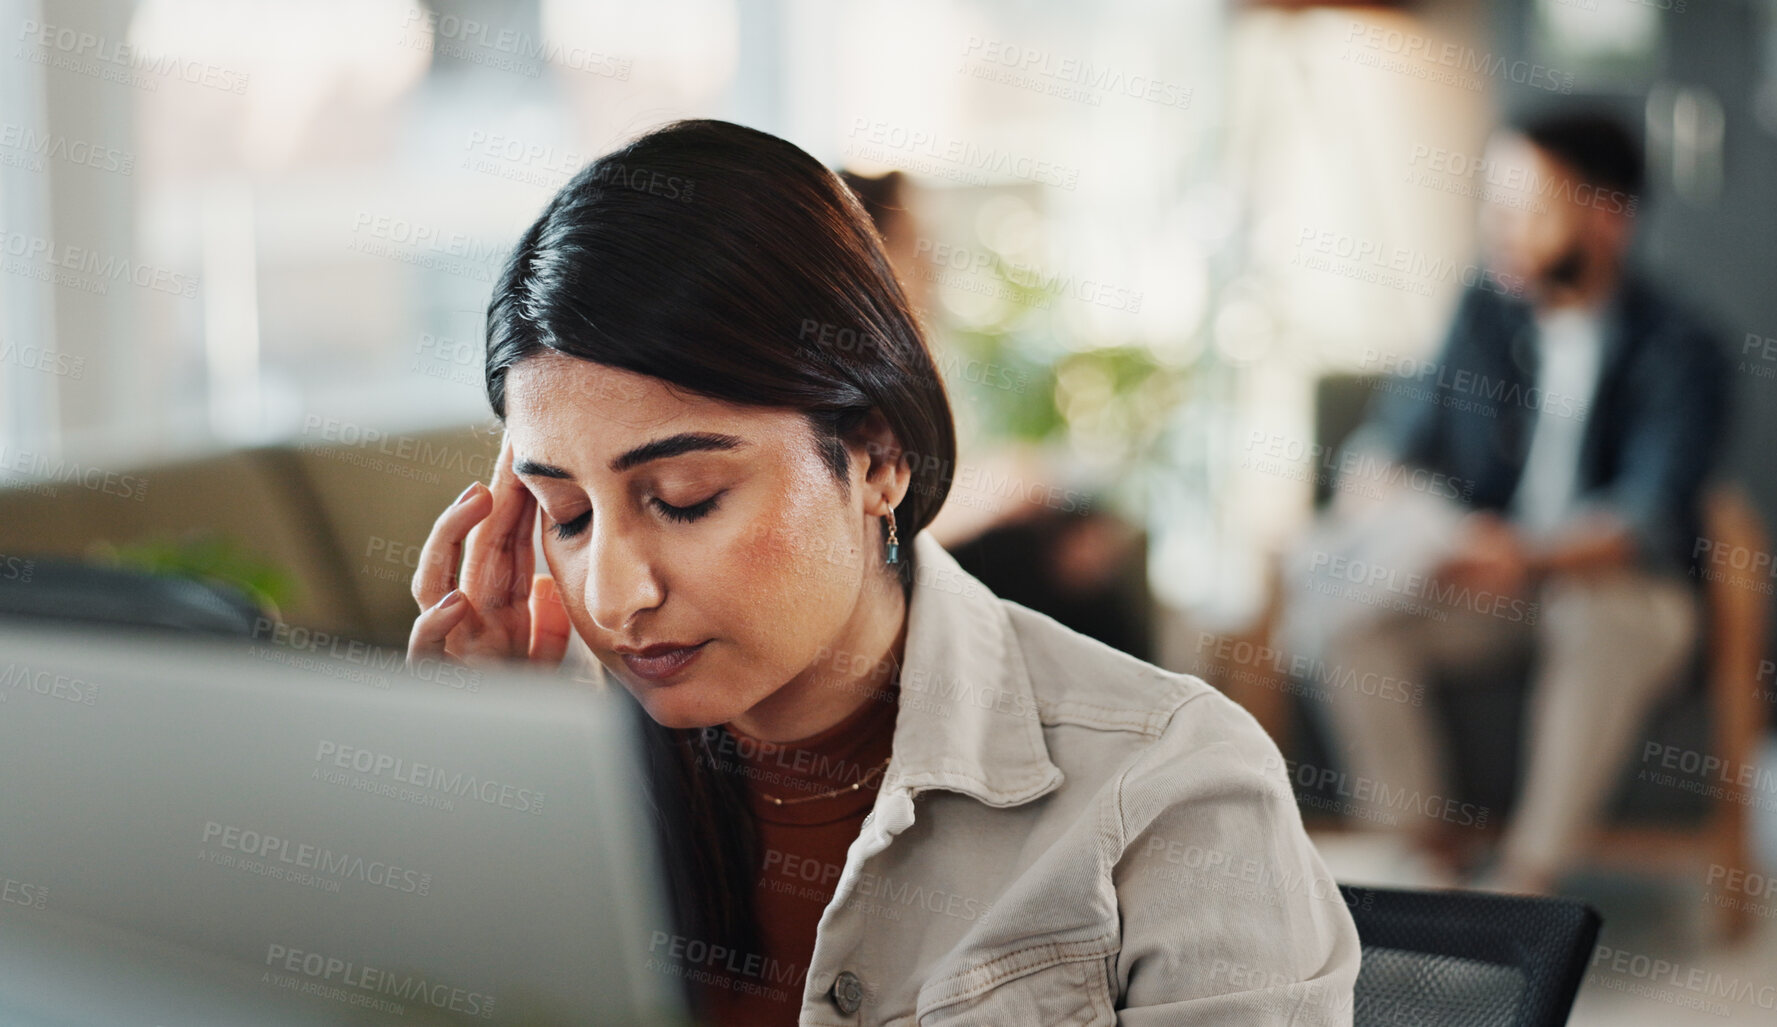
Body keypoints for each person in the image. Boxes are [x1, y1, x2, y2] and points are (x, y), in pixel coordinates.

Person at [406, 119, 1358, 1025]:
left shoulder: (1168, 788)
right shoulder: (568, 786)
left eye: (686, 497)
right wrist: (490, 791)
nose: (615, 596)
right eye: (567, 515)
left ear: (877, 455)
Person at [1285, 109, 1730, 896]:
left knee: (1597, 615)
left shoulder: (1681, 347)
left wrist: (1523, 555)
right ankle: (1425, 858)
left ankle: (1526, 879)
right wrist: (1378, 476)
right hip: (1493, 587)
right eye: (1494, 207)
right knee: (1348, 622)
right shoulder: (1484, 311)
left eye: (1528, 209)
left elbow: (1648, 513)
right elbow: (1405, 425)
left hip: (1621, 593)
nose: (1502, 230)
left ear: (1607, 217)